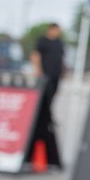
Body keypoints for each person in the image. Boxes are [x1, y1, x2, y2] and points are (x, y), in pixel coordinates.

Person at [30, 22, 64, 166]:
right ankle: (43, 116)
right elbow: (35, 54)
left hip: (56, 76)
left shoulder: (59, 43)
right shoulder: (43, 41)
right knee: (44, 99)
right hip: (45, 76)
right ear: (51, 29)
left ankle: (47, 116)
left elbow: (62, 59)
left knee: (52, 97)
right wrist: (38, 69)